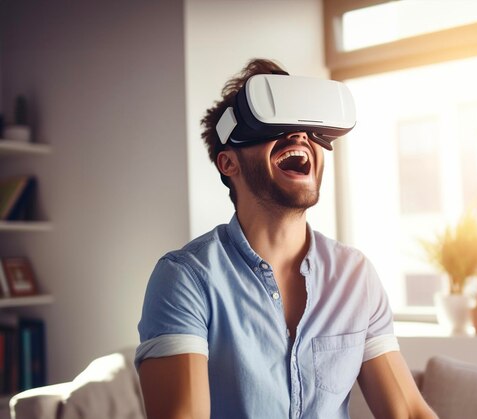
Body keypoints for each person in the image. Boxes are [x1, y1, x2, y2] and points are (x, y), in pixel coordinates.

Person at [135, 58, 438, 419]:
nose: (298, 135)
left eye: (306, 125)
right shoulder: (186, 279)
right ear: (228, 163)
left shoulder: (356, 277)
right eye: (274, 124)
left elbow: (408, 413)